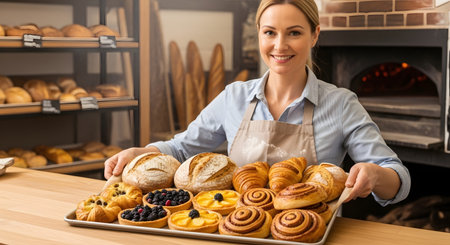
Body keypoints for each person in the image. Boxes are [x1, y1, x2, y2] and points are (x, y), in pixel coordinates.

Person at [105, 0, 410, 206]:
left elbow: (398, 178)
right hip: (238, 227)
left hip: (307, 233)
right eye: (270, 33)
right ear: (260, 35)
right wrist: (142, 152)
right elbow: (183, 148)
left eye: (294, 33)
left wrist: (375, 175)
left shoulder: (341, 104)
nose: (280, 45)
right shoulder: (234, 97)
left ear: (315, 35)